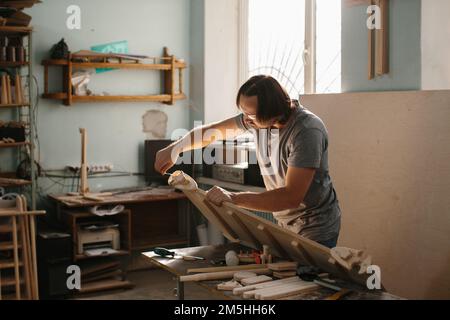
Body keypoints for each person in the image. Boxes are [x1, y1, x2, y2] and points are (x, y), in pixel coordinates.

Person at [154, 75, 341, 248]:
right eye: (244, 113)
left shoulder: (306, 130)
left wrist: (234, 198)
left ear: (271, 112)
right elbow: (211, 132)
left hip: (316, 226)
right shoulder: (257, 119)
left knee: (308, 281)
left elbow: (291, 196)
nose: (246, 120)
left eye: (250, 115)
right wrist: (175, 148)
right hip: (285, 222)